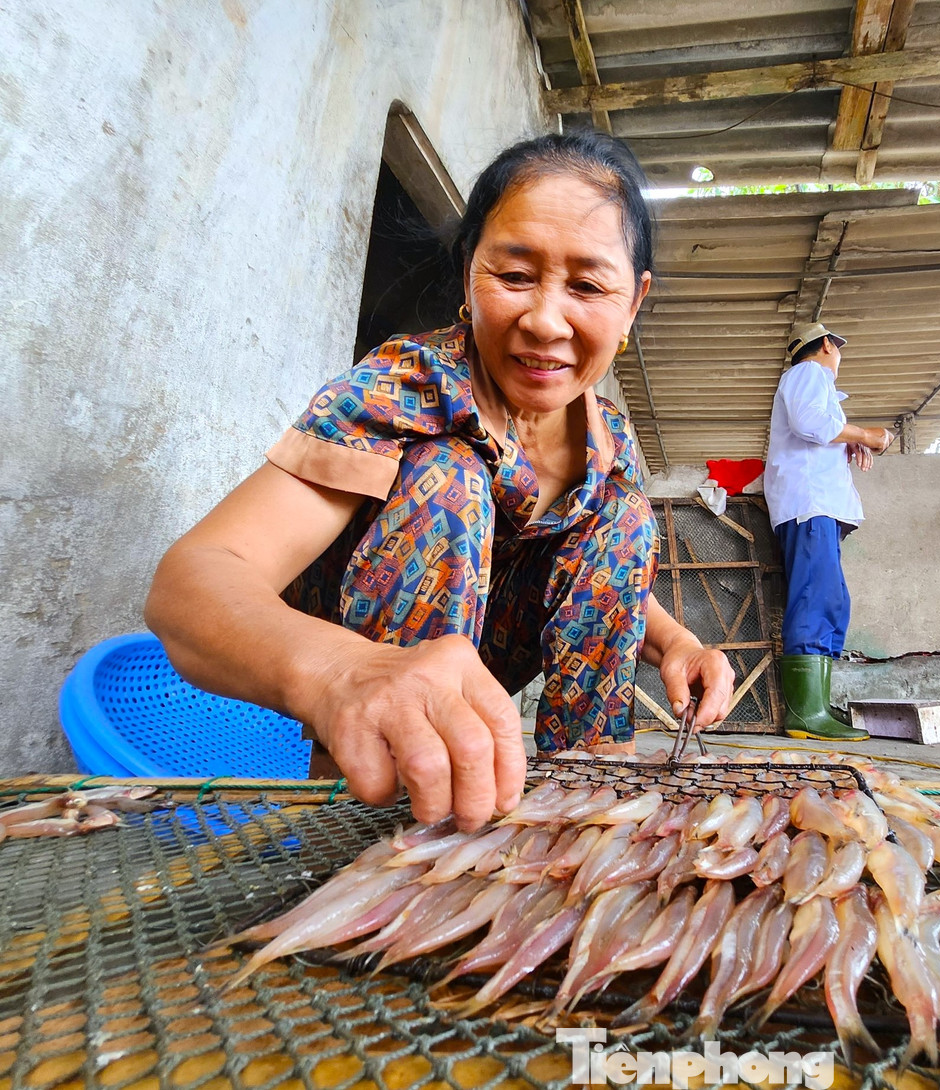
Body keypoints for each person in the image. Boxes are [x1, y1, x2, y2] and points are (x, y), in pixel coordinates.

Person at [144, 131, 735, 829]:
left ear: (633, 302)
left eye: (587, 285)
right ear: (467, 274)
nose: (545, 320)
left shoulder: (609, 439)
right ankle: (367, 825)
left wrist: (679, 645)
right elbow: (190, 584)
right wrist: (345, 674)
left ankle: (584, 799)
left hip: (483, 674)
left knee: (623, 519)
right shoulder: (409, 390)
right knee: (445, 475)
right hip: (367, 669)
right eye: (514, 276)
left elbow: (601, 572)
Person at [763, 323, 893, 741]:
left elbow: (817, 429)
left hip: (815, 507)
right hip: (810, 506)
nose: (839, 357)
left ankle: (815, 707)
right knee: (816, 597)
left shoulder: (812, 383)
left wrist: (845, 441)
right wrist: (866, 435)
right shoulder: (808, 373)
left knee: (829, 597)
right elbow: (808, 423)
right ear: (825, 346)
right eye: (838, 349)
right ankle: (805, 714)